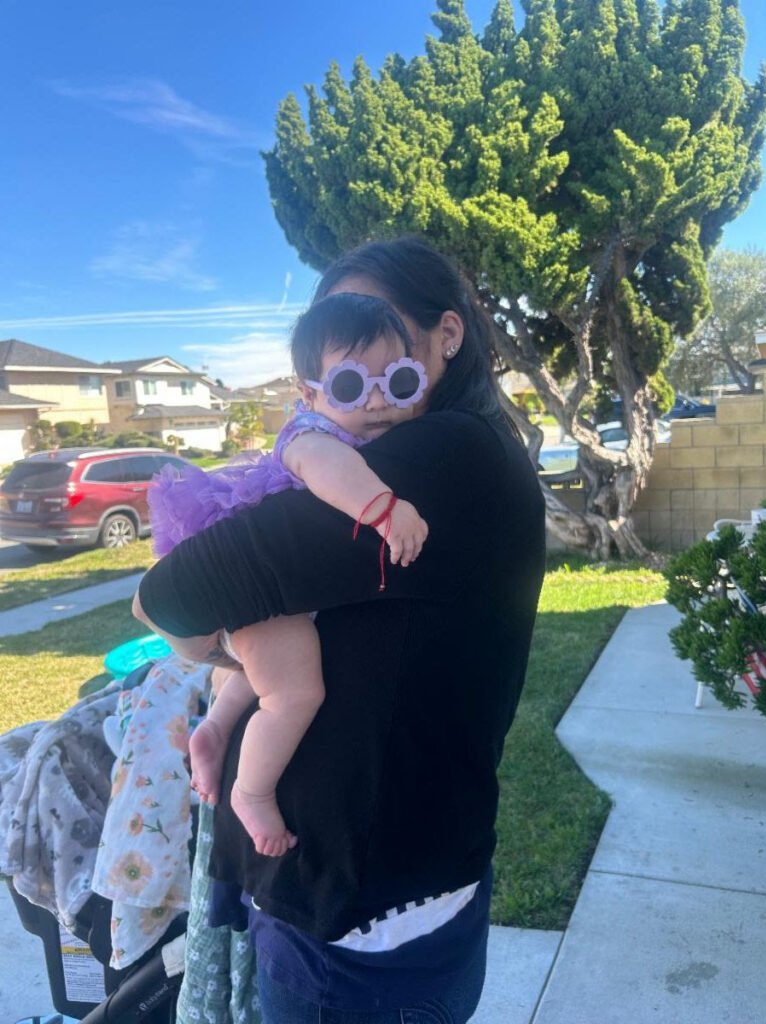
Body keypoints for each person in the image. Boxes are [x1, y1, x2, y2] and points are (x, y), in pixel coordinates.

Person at [133, 236, 546, 1023]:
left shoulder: (444, 455)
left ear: (446, 335)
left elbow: (172, 597)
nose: (367, 368)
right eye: (339, 337)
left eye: (381, 330)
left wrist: (211, 646)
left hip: (361, 920)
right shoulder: (451, 449)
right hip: (388, 884)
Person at [148, 292, 429, 857]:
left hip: (267, 596)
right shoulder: (312, 437)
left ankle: (215, 729)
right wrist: (383, 508)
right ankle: (251, 791)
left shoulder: (367, 434)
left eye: (398, 382)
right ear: (309, 394)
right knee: (296, 691)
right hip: (255, 591)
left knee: (264, 672)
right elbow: (330, 471)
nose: (378, 400)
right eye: (351, 386)